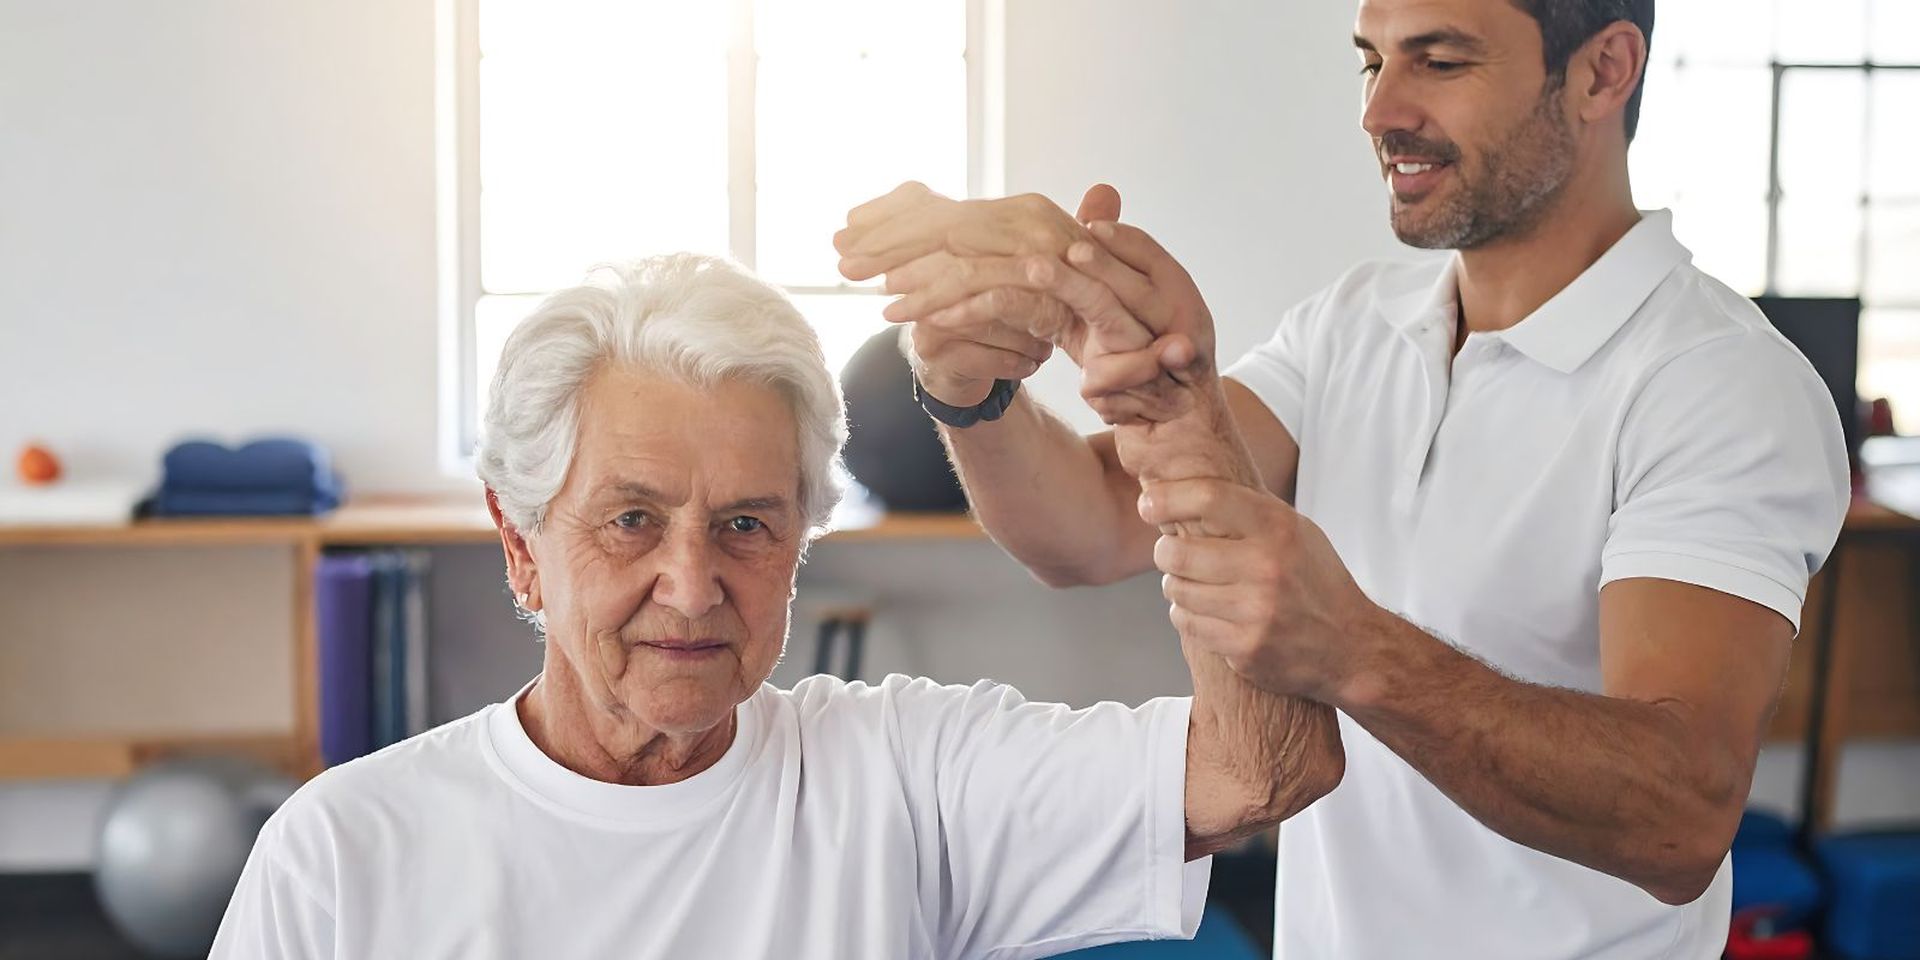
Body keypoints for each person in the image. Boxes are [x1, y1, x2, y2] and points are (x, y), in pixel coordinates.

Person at [831, 0, 1851, 956]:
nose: (1380, 111)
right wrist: (971, 394)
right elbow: (1093, 528)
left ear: (1603, 72)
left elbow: (1680, 817)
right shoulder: (1354, 324)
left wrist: (1355, 648)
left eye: (1440, 60)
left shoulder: (1720, 383)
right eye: (1372, 59)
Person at [207, 253, 1343, 959]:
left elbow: (1262, 769)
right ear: (520, 542)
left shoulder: (900, 778)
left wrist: (1174, 418)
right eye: (633, 520)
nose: (694, 587)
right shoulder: (345, 854)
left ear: (800, 544)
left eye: (748, 524)